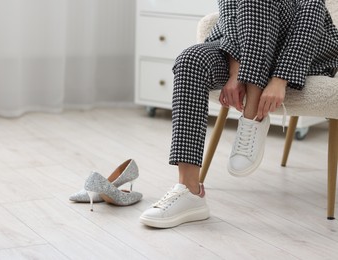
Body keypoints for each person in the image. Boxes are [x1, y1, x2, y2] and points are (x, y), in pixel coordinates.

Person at [140, 0, 338, 228]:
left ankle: (252, 115)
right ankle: (190, 192)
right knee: (190, 62)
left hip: (299, 49)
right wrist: (236, 71)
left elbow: (310, 19)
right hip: (241, 46)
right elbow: (230, 12)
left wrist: (280, 79)